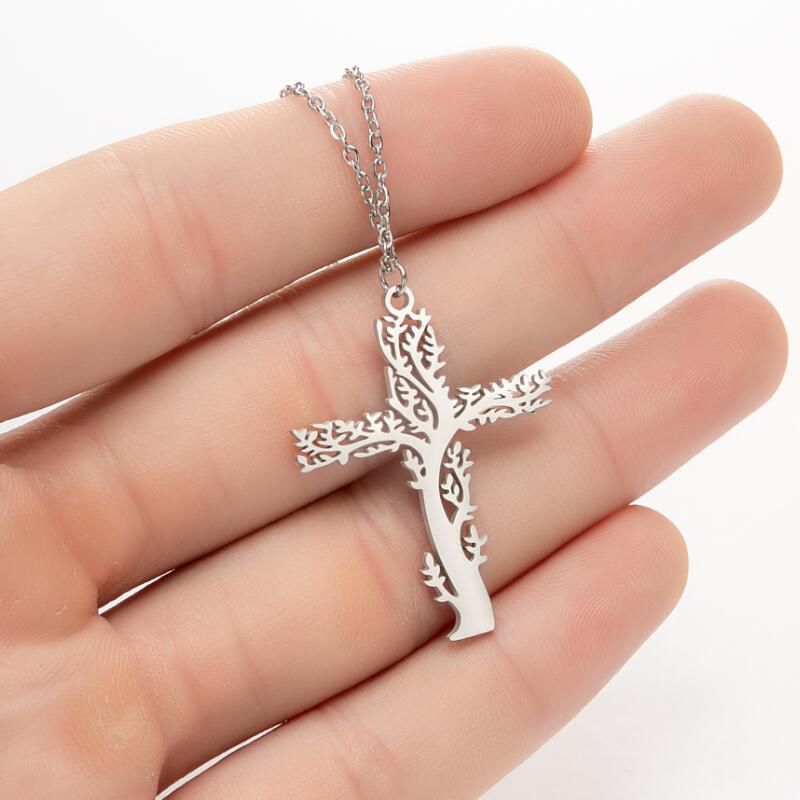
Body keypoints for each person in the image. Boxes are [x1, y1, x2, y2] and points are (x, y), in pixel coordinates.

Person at [0, 47, 786, 798]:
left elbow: (500, 402)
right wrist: (332, 440)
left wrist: (504, 401)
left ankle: (466, 598)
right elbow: (355, 436)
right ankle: (464, 599)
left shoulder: (435, 403)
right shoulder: (410, 414)